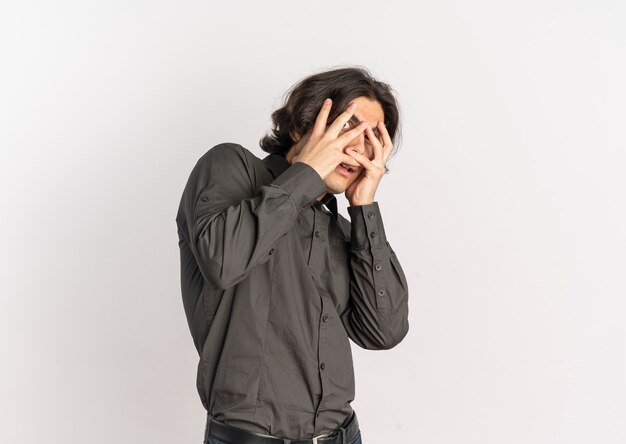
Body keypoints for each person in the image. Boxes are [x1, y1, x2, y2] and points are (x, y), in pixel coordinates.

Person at [175, 66, 410, 444]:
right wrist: (309, 172)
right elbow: (222, 261)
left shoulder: (343, 232)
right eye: (348, 126)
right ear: (302, 127)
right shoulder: (229, 168)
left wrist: (364, 208)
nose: (359, 148)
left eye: (373, 139)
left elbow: (383, 332)